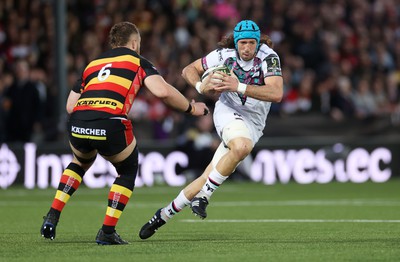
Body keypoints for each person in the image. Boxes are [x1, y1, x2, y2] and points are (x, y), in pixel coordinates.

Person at [39, 21, 209, 245]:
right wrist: (191, 108)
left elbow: (71, 106)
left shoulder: (93, 64)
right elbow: (162, 91)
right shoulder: (138, 61)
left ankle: (52, 215)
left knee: (79, 163)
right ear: (135, 42)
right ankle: (107, 232)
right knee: (127, 170)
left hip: (78, 122)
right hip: (110, 122)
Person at [139, 20, 283, 239]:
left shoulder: (269, 57)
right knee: (242, 146)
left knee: (208, 175)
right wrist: (200, 86)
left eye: (251, 43)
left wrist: (238, 86)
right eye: (242, 43)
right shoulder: (223, 55)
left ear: (257, 42)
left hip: (254, 122)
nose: (247, 48)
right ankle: (205, 195)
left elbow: (276, 93)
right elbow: (189, 70)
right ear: (236, 42)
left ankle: (163, 214)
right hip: (228, 110)